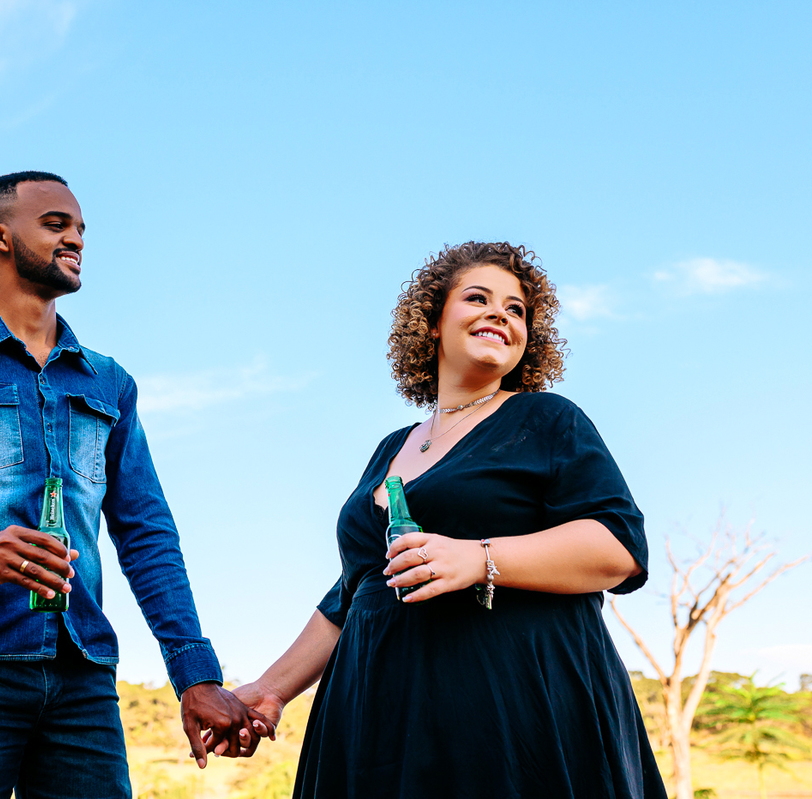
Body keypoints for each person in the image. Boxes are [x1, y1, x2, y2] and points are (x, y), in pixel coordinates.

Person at [0, 171, 270, 798]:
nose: (77, 240)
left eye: (82, 228)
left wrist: (194, 674)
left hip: (84, 683)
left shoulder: (108, 383)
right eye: (57, 225)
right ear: (0, 236)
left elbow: (147, 538)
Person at [228, 242, 666, 797]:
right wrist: (272, 688)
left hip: (510, 706)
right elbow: (355, 587)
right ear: (433, 323)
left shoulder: (547, 419)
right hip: (376, 715)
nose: (499, 315)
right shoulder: (391, 446)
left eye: (516, 310)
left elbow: (618, 547)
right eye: (478, 298)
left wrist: (479, 558)